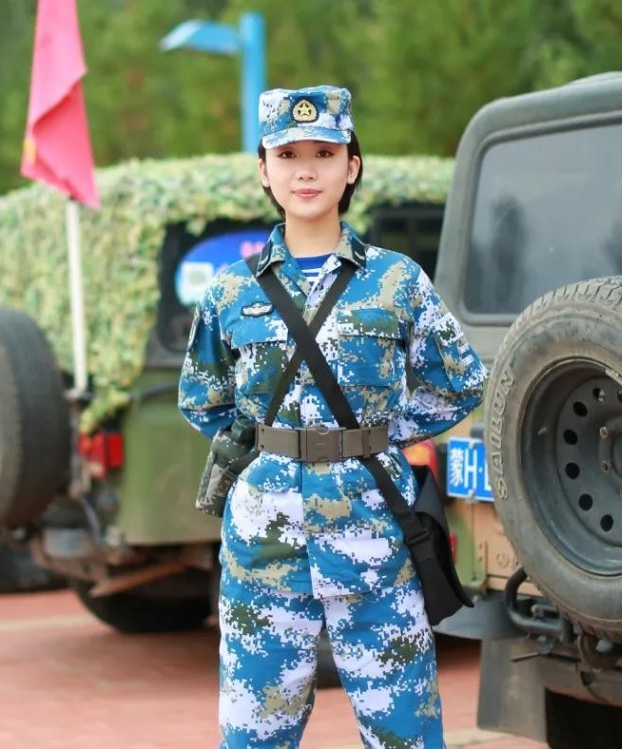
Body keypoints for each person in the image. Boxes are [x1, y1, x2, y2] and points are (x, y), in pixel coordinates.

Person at [178, 84, 487, 749]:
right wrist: (272, 447)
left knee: (406, 734)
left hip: (374, 537)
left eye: (325, 151)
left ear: (352, 165)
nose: (306, 170)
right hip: (265, 545)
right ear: (264, 169)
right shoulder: (231, 291)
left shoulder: (397, 280)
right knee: (255, 735)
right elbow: (202, 396)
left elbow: (461, 382)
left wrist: (374, 436)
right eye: (288, 154)